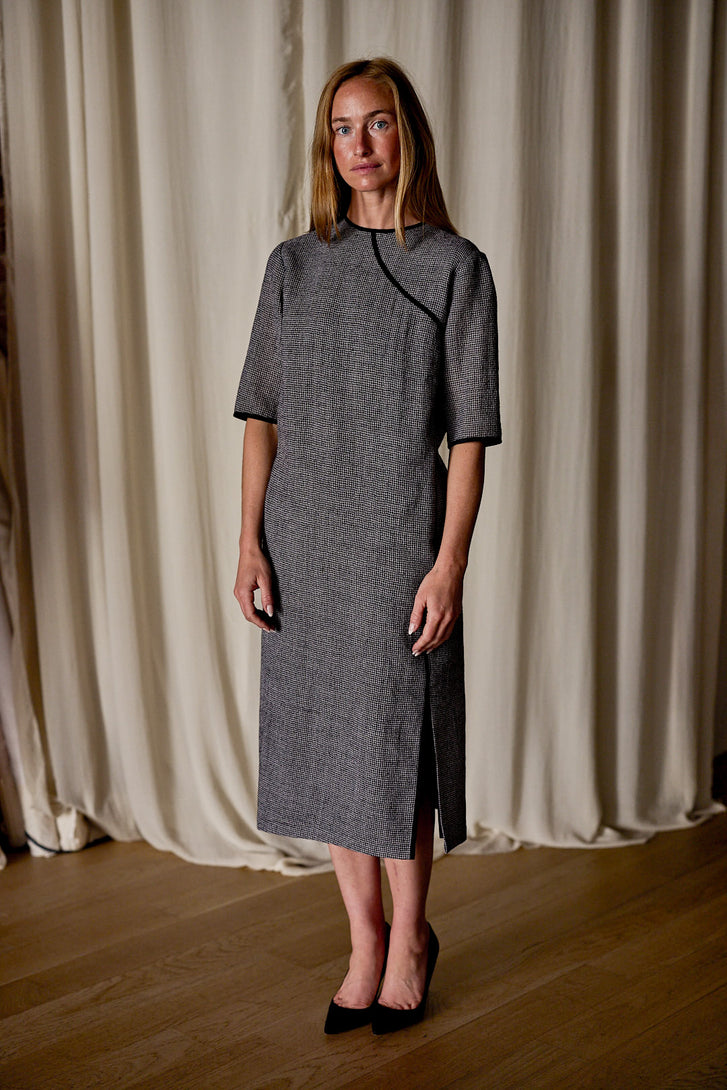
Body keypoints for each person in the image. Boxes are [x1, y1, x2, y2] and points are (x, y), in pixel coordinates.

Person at [233, 57, 501, 1036]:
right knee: (329, 747)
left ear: (406, 134)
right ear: (328, 148)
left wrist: (450, 560)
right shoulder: (292, 267)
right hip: (304, 536)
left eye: (376, 123)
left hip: (400, 536)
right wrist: (250, 540)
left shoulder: (455, 268)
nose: (358, 145)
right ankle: (362, 936)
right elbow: (260, 413)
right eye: (342, 128)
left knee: (397, 750)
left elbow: (469, 434)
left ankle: (413, 935)